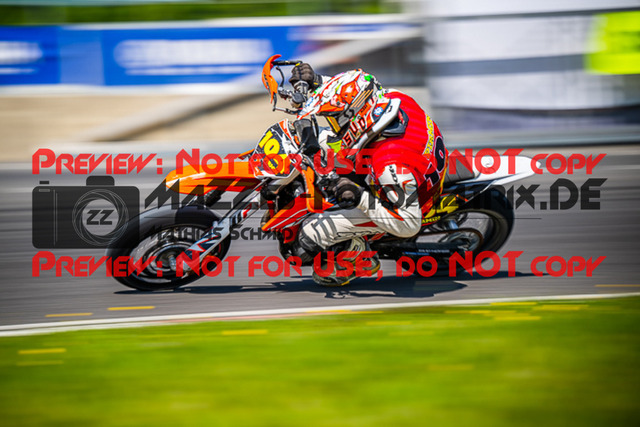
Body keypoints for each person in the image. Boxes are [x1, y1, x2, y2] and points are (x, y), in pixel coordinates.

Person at [289, 63, 448, 286]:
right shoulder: (394, 98)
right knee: (318, 143)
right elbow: (353, 94)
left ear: (359, 119)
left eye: (336, 120)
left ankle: (360, 257)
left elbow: (409, 226)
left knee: (309, 235)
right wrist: (317, 81)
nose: (333, 124)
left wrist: (360, 197)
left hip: (407, 200)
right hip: (413, 162)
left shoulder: (390, 166)